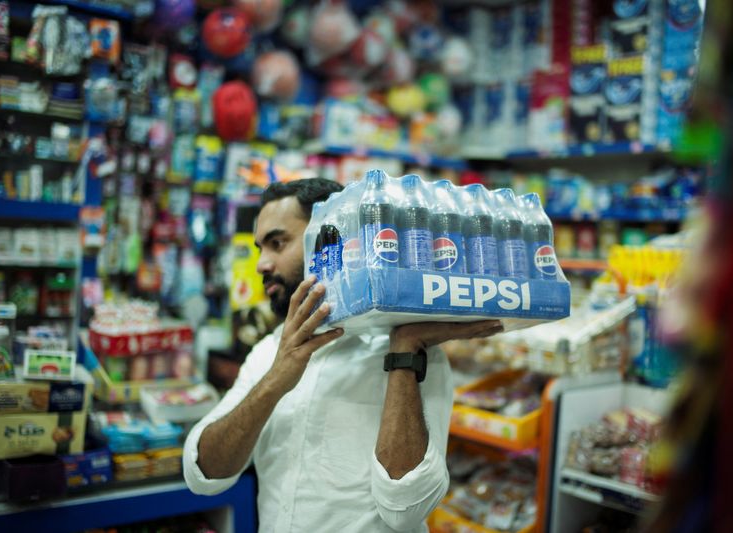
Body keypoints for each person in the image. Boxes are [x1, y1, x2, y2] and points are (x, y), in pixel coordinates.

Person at [183, 178, 503, 532]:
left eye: (277, 243)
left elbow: (406, 508)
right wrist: (276, 379)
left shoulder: (408, 350)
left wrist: (404, 350)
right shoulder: (267, 353)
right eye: (260, 248)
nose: (262, 264)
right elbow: (204, 474)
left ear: (328, 237)